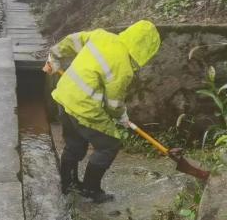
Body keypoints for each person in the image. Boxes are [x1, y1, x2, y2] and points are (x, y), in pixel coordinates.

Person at [42, 20, 161, 203]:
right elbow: (113, 104)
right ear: (145, 50)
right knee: (109, 145)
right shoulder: (124, 68)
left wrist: (54, 56)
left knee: (74, 145)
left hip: (64, 97)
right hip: (85, 108)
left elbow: (72, 40)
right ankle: (91, 189)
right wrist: (121, 117)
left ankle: (68, 184)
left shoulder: (101, 36)